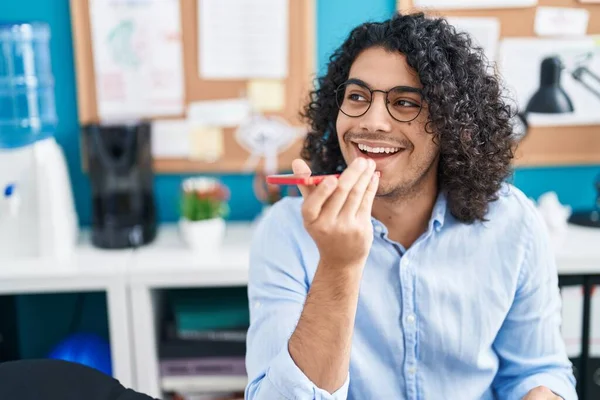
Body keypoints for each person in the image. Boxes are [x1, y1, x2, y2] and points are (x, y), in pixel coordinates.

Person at [244, 11, 577, 400]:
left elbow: (538, 369)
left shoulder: (513, 222)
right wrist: (339, 266)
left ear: (453, 122)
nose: (373, 121)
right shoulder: (286, 231)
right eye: (357, 96)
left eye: (404, 102)